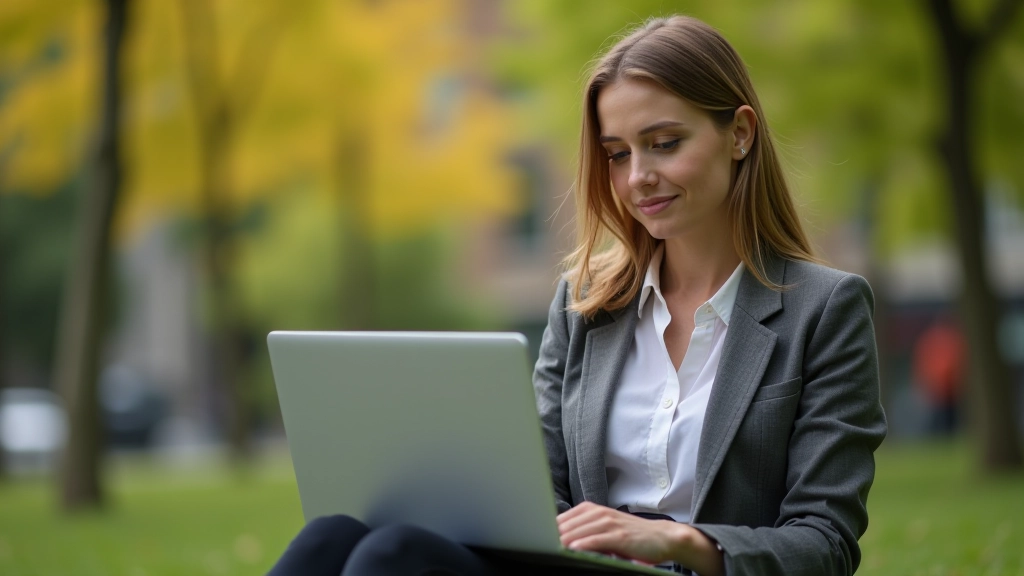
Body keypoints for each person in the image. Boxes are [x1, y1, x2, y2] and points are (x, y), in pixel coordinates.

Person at [268, 14, 886, 576]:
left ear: (740, 133)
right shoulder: (584, 305)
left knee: (391, 556)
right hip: (579, 565)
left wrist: (679, 541)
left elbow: (824, 543)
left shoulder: (824, 310)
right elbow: (538, 491)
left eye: (664, 143)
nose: (638, 177)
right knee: (333, 535)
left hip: (691, 571)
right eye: (618, 154)